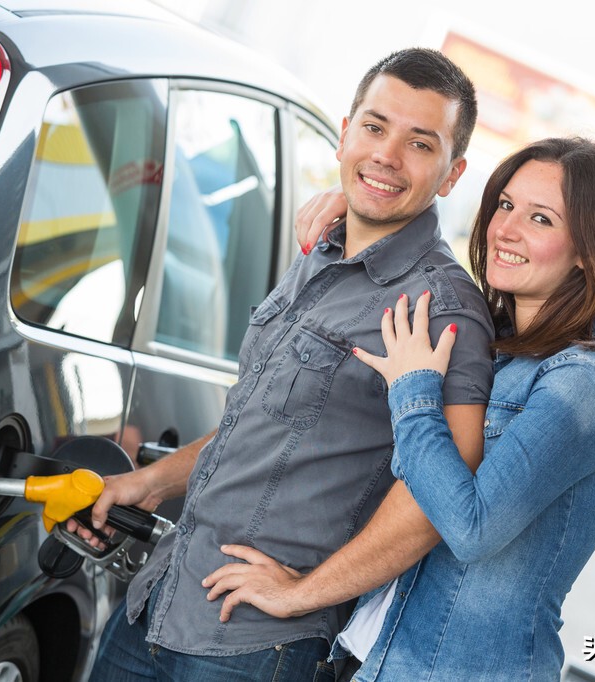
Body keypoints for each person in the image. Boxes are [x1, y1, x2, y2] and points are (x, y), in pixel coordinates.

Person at [75, 48, 496, 681]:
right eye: (375, 127)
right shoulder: (319, 253)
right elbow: (264, 424)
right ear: (346, 131)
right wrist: (147, 482)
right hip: (157, 604)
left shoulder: (441, 306)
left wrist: (302, 595)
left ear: (452, 173)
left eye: (420, 143)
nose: (385, 154)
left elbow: (440, 495)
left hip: (256, 650)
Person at [203, 137, 595, 680]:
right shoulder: (492, 342)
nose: (506, 229)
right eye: (505, 205)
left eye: (541, 219)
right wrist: (356, 213)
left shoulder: (583, 383)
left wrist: (414, 393)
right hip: (367, 659)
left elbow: (471, 527)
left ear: (589, 250)